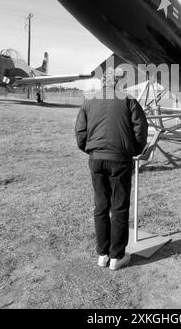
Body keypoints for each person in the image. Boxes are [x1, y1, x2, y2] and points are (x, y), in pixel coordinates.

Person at [75, 71, 148, 271]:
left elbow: (80, 132)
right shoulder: (129, 100)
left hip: (96, 159)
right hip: (120, 160)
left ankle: (102, 254)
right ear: (120, 82)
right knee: (119, 207)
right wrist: (134, 151)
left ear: (103, 82)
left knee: (100, 206)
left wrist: (91, 150)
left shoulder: (89, 102)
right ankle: (117, 256)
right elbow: (140, 130)